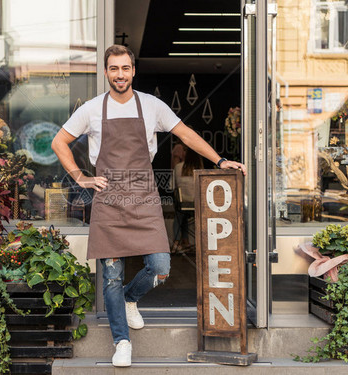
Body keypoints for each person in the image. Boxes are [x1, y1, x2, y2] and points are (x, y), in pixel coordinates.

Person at [51, 45, 246, 367]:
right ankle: (121, 340)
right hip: (109, 195)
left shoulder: (152, 106)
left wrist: (220, 160)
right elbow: (59, 142)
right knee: (111, 276)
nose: (120, 75)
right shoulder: (91, 109)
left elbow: (185, 133)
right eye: (114, 69)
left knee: (160, 266)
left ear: (133, 71)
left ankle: (131, 298)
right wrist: (80, 177)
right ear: (106, 72)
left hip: (143, 192)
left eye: (125, 68)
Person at [172, 147, 203, 252]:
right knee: (185, 215)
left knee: (180, 216)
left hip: (182, 203)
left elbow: (171, 186)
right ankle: (188, 242)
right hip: (197, 205)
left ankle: (176, 242)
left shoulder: (178, 167)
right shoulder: (200, 170)